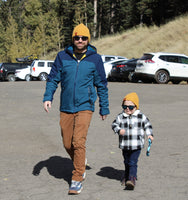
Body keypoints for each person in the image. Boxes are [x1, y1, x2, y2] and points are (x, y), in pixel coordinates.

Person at [43, 23, 109, 195]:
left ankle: (77, 177)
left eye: (84, 38)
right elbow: (52, 79)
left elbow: (101, 84)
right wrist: (48, 97)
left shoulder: (95, 59)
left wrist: (104, 107)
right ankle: (81, 161)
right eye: (77, 37)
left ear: (88, 39)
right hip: (66, 106)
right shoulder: (62, 56)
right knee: (67, 143)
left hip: (85, 105)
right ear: (73, 38)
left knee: (78, 142)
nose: (80, 40)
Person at [112, 92, 153, 190]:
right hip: (125, 145)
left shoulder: (141, 116)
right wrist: (118, 130)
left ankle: (132, 179)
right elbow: (114, 125)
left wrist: (149, 134)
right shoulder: (120, 116)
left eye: (130, 107)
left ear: (136, 106)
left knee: (133, 162)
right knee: (126, 161)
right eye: (125, 106)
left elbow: (147, 125)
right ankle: (126, 176)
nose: (127, 109)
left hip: (137, 145)